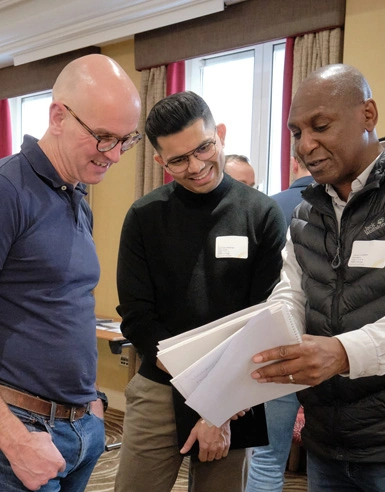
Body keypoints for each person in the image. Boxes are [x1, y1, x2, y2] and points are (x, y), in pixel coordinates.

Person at [250, 64, 385, 492]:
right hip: (327, 443)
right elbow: (290, 294)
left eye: (320, 126)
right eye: (296, 132)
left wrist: (342, 352)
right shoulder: (304, 214)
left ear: (368, 115)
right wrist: (269, 336)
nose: (306, 145)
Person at [114, 91, 286, 492]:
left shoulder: (261, 214)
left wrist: (219, 405)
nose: (196, 166)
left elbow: (265, 316)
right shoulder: (144, 216)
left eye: (203, 148)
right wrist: (203, 389)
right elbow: (137, 316)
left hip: (236, 395)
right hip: (160, 385)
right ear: (159, 161)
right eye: (178, 160)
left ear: (219, 135)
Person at [0, 54, 141, 491]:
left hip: (80, 427)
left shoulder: (75, 193)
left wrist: (93, 407)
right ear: (58, 116)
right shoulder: (8, 190)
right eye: (103, 137)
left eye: (126, 139)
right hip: (21, 434)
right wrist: (14, 439)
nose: (115, 155)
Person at [245, 152, 313, 492]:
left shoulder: (267, 207)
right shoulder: (349, 209)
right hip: (331, 350)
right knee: (328, 460)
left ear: (292, 163)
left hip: (276, 347)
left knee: (267, 457)